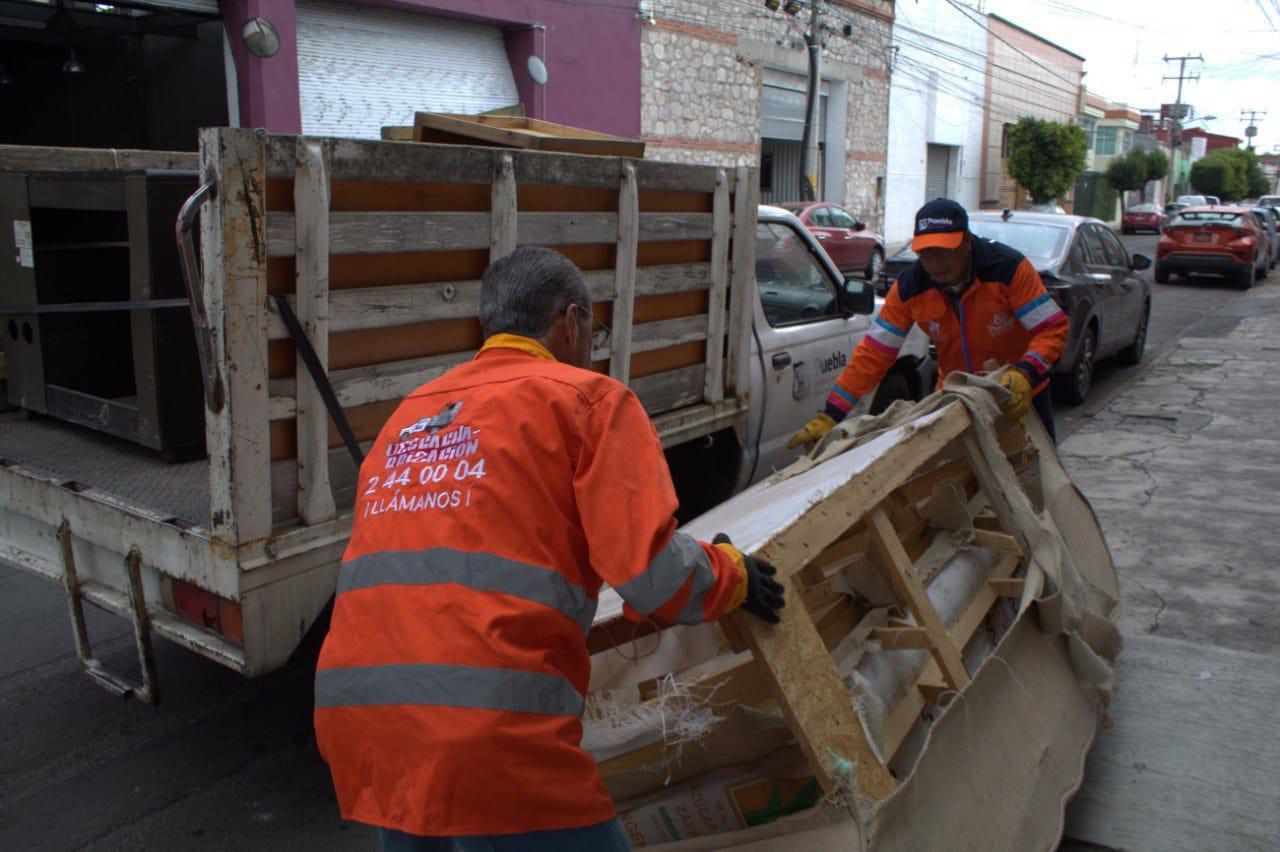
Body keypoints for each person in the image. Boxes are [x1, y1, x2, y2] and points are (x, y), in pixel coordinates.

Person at [314, 247, 785, 852]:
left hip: (363, 720)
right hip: (489, 730)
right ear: (572, 323)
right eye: (595, 332)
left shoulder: (411, 415)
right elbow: (654, 576)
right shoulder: (587, 402)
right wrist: (733, 575)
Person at [790, 198, 1069, 446]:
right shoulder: (910, 288)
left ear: (967, 241)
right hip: (957, 400)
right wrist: (832, 414)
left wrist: (1026, 372)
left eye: (944, 251)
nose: (935, 262)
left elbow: (1052, 328)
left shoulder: (1008, 269)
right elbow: (874, 353)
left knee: (1035, 478)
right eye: (926, 253)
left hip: (1018, 395)